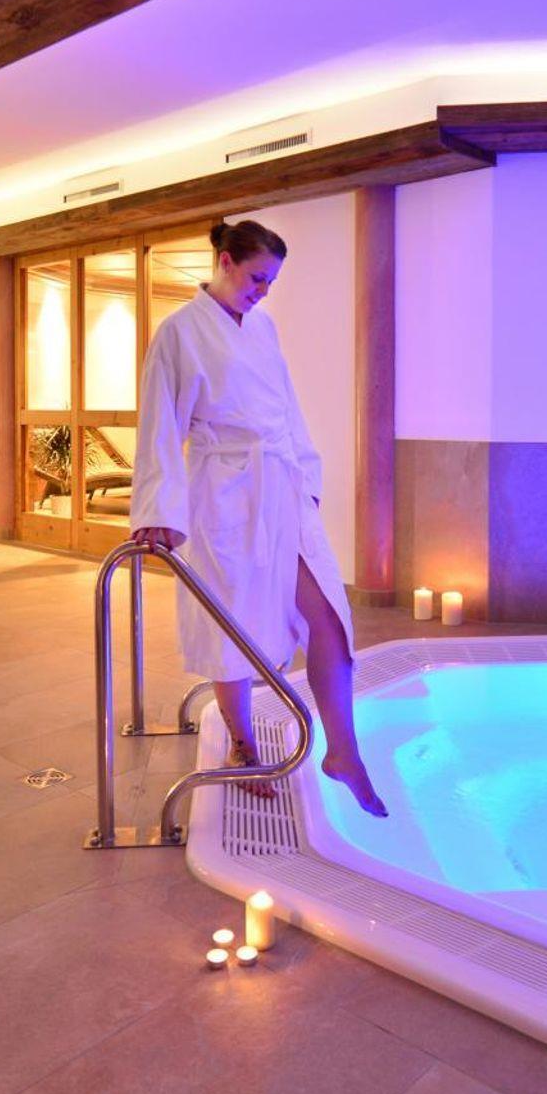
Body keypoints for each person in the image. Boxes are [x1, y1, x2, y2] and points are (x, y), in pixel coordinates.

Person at [129, 219, 387, 817]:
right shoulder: (179, 332)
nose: (263, 291)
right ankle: (243, 749)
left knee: (329, 618)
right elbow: (160, 424)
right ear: (224, 261)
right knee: (232, 626)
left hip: (281, 491)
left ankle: (343, 751)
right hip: (223, 496)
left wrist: (308, 479)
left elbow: (288, 412)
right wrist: (158, 510)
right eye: (256, 278)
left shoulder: (264, 327)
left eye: (270, 282)